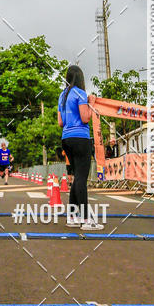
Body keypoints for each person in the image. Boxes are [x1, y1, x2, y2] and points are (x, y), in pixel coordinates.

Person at [57, 65, 102, 230]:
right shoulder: (80, 94)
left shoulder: (62, 95)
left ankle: (73, 217)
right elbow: (85, 118)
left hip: (66, 139)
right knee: (82, 178)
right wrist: (92, 103)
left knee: (77, 177)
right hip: (80, 138)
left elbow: (60, 122)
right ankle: (86, 219)